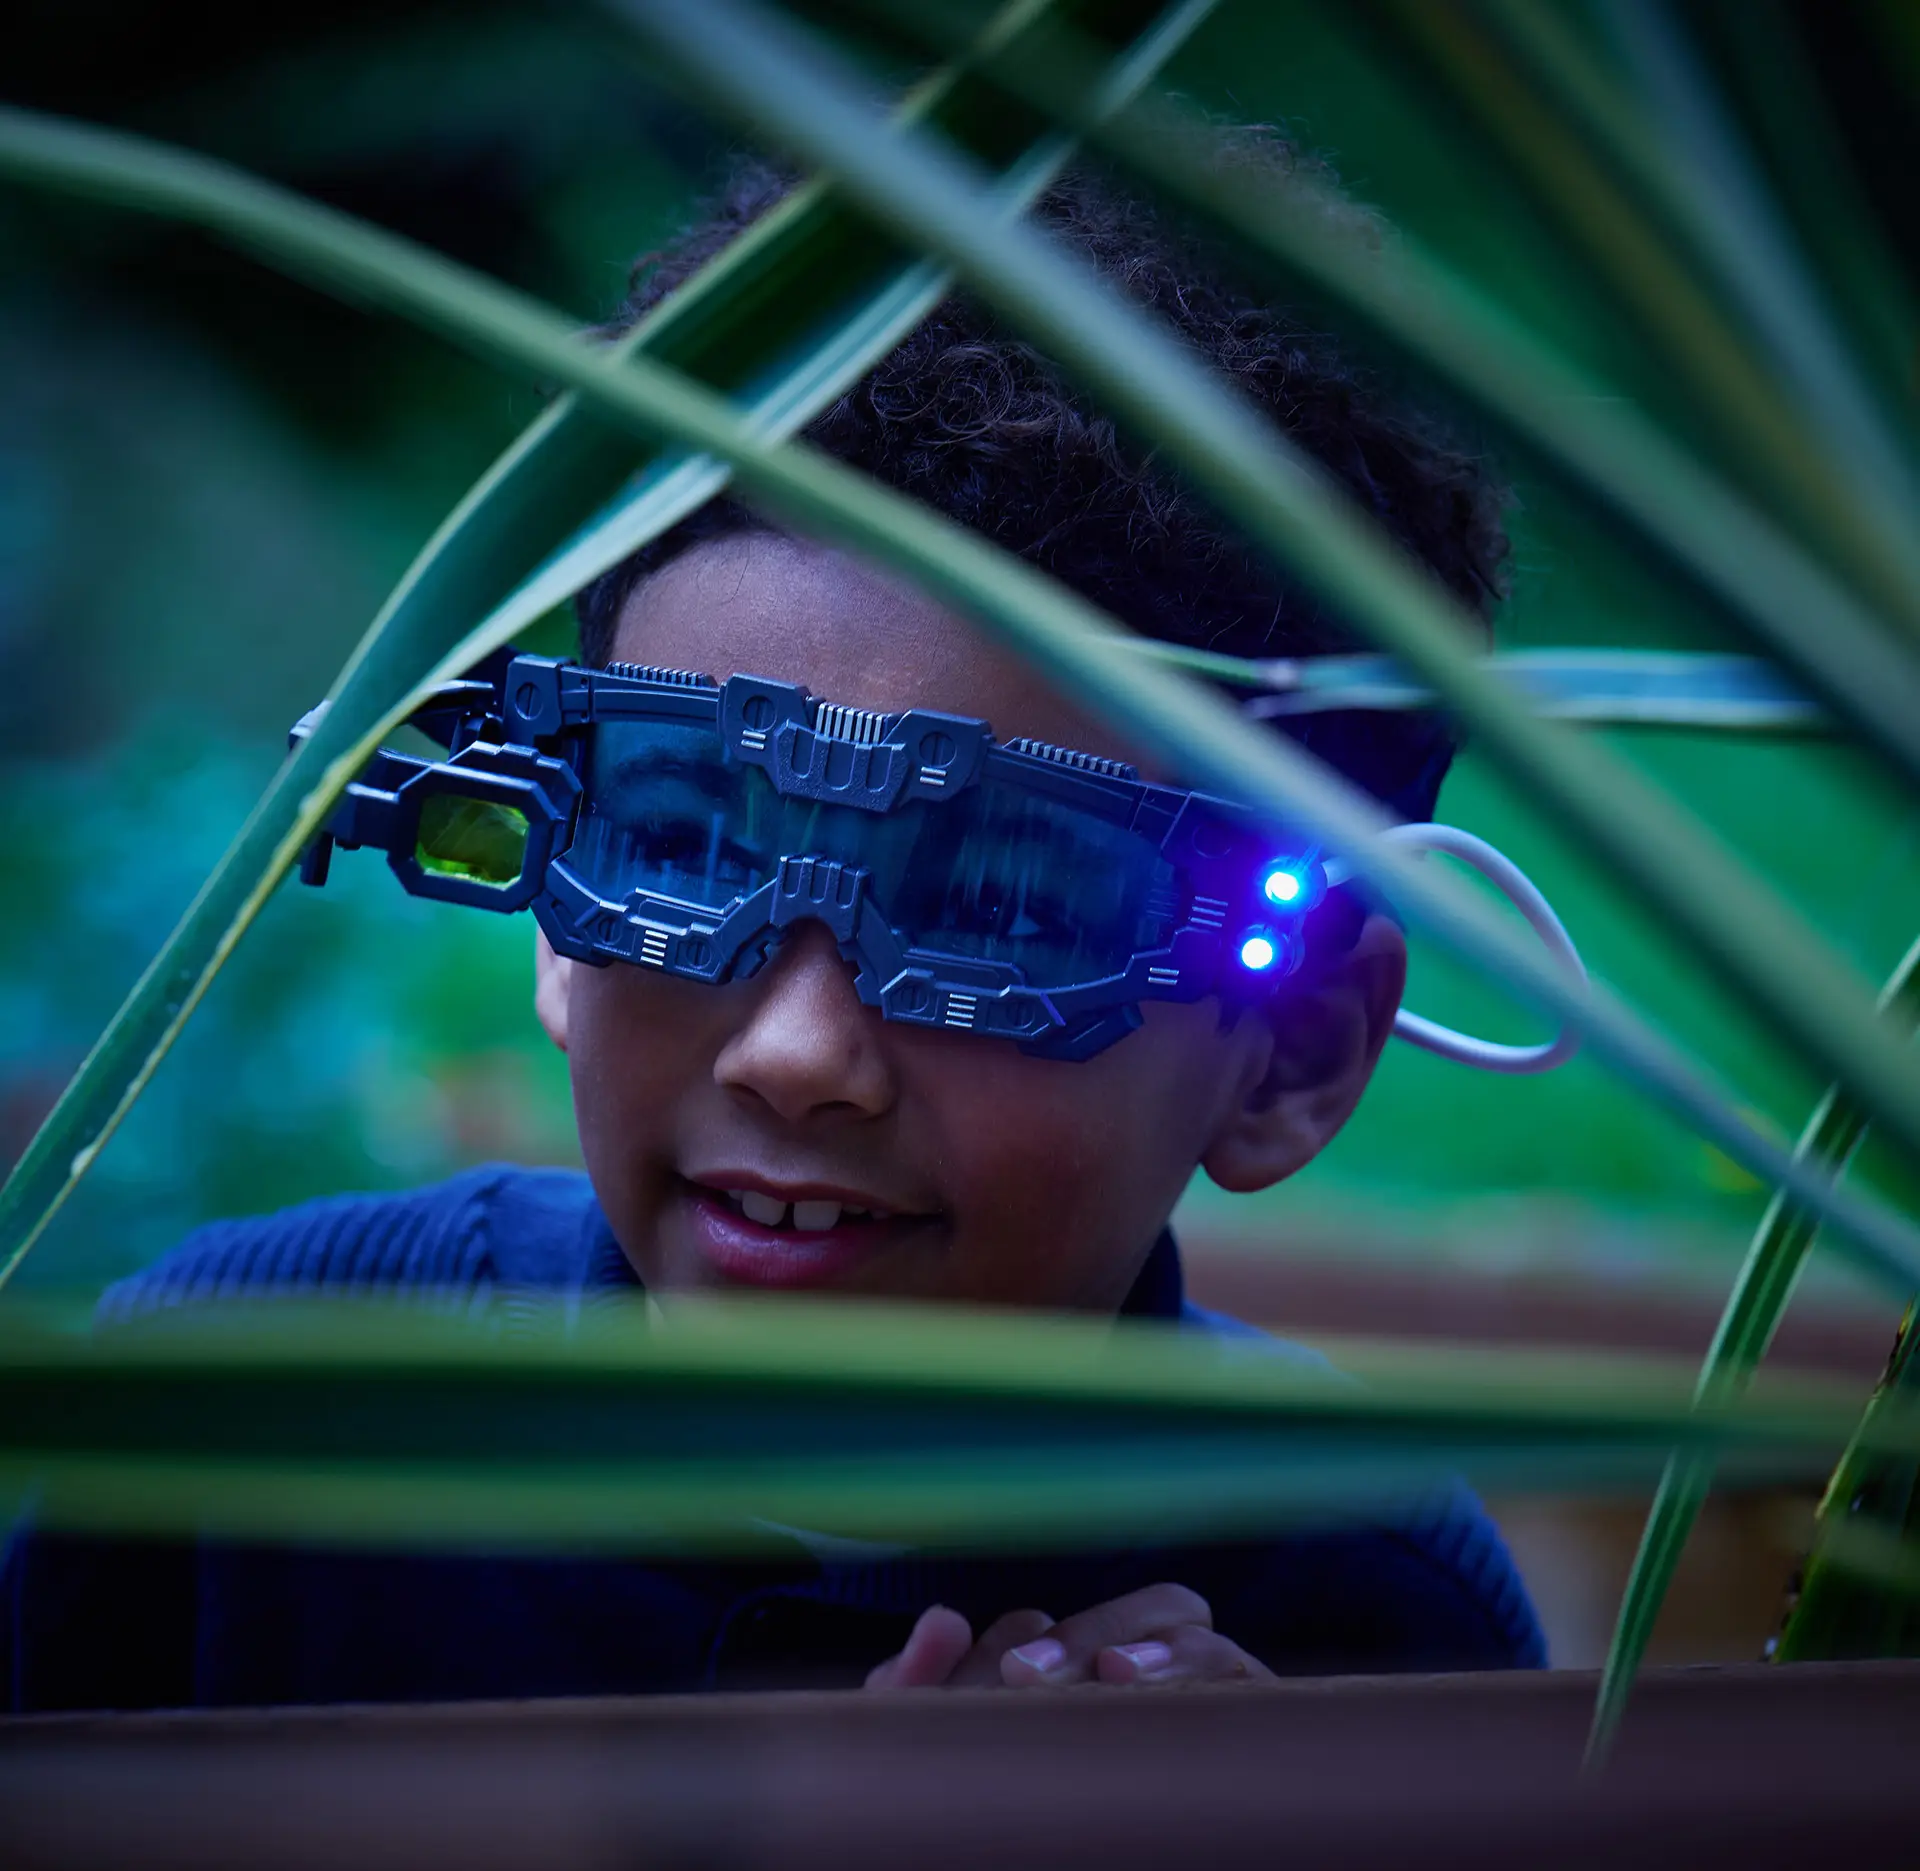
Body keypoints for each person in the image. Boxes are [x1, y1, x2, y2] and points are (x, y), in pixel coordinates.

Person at [1, 146, 1545, 1710]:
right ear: (561, 912)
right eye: (680, 842)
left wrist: (1244, 1828)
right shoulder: (235, 1425)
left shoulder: (1366, 1609)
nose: (797, 1055)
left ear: (1291, 1052)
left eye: (998, 901)